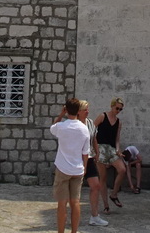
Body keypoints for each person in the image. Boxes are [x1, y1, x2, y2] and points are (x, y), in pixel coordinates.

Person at [50, 98, 91, 233]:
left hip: (63, 168)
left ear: (66, 109)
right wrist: (84, 168)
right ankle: (74, 231)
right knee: (75, 201)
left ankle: (61, 231)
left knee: (62, 203)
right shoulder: (84, 129)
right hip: (77, 168)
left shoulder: (61, 127)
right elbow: (85, 153)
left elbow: (52, 128)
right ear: (79, 111)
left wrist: (61, 115)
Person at [93, 97, 127, 211]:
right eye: (117, 108)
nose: (118, 111)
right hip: (100, 147)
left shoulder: (119, 122)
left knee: (122, 170)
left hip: (111, 149)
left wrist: (118, 150)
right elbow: (92, 129)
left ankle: (114, 194)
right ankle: (106, 205)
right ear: (112, 106)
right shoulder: (102, 116)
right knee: (103, 177)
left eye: (120, 109)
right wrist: (94, 147)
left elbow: (117, 139)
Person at [79, 100, 109, 227]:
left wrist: (97, 153)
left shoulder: (90, 123)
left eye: (88, 109)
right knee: (74, 188)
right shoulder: (74, 124)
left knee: (96, 185)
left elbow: (94, 139)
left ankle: (95, 216)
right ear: (79, 111)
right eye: (85, 109)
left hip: (89, 158)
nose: (88, 111)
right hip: (77, 158)